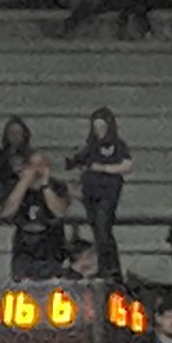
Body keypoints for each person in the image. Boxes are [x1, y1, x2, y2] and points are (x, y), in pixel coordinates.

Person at [67, 107, 132, 276]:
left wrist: (103, 168)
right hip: (90, 193)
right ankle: (104, 266)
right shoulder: (91, 146)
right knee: (97, 230)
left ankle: (111, 266)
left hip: (107, 193)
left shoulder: (117, 145)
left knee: (104, 229)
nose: (99, 131)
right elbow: (78, 162)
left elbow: (126, 165)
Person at [1, 151, 71, 277]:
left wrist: (45, 185)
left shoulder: (57, 186)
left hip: (51, 242)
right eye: (34, 165)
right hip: (25, 244)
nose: (38, 169)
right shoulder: (15, 187)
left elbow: (59, 211)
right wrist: (24, 182)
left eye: (42, 165)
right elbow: (7, 211)